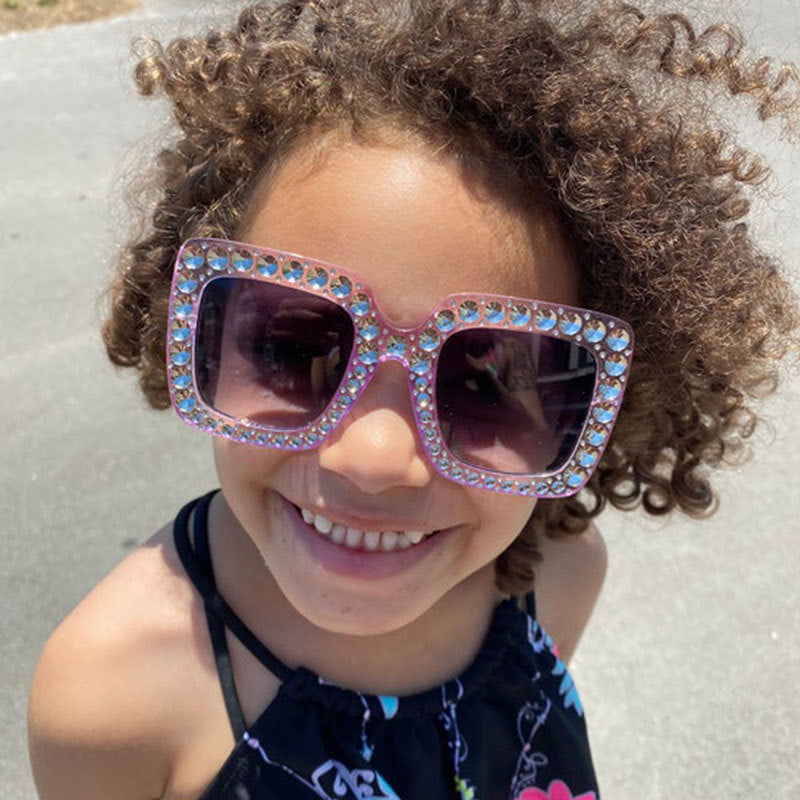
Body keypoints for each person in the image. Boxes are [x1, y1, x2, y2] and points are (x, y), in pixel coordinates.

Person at [26, 1, 800, 799]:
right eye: (294, 347)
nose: (374, 459)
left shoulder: (557, 582)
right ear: (191, 331)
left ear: (598, 415)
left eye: (484, 383)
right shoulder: (108, 699)